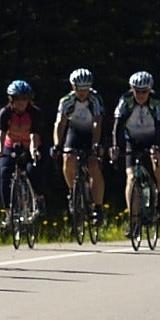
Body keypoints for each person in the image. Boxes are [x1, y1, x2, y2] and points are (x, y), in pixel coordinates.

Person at [54, 68, 107, 225]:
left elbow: (97, 123)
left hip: (92, 132)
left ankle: (98, 207)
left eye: (86, 88)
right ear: (73, 86)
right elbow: (60, 123)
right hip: (75, 132)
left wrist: (96, 145)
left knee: (93, 165)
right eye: (79, 88)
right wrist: (57, 145)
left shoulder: (95, 99)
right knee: (68, 158)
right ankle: (73, 191)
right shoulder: (66, 101)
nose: (83, 92)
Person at [111, 71, 160, 216]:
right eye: (137, 91)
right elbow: (118, 125)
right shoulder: (126, 100)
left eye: (144, 91)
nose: (141, 95)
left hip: (152, 138)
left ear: (150, 90)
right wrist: (116, 146)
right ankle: (133, 218)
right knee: (130, 177)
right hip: (132, 139)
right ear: (132, 89)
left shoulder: (155, 101)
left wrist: (159, 146)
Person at [0, 79, 47, 224]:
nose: (21, 102)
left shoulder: (35, 113)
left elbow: (34, 134)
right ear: (11, 99)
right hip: (11, 145)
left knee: (33, 170)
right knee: (5, 174)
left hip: (32, 145)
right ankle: (8, 212)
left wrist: (33, 150)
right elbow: (0, 133)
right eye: (17, 98)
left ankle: (39, 198)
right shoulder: (5, 113)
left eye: (24, 98)